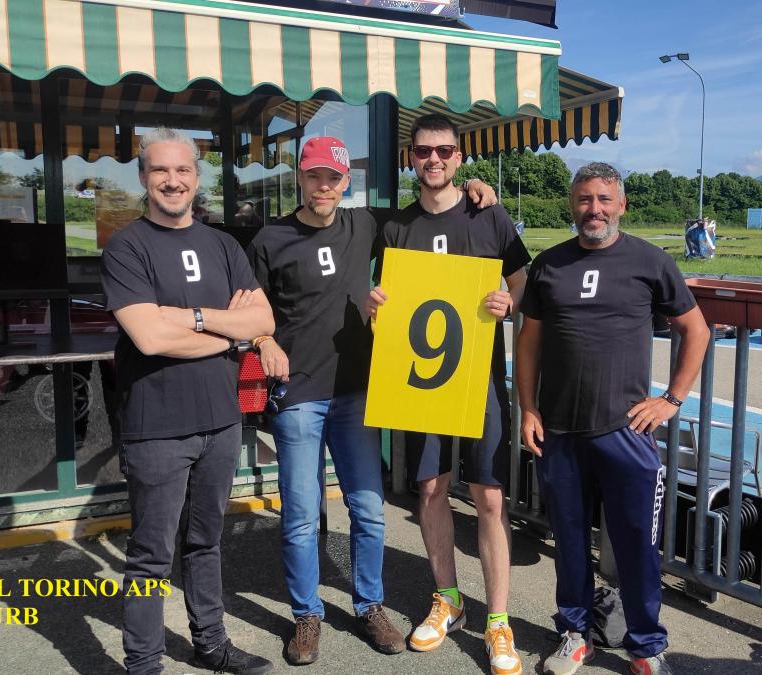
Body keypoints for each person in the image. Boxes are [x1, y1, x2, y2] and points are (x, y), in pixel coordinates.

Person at [245, 136, 499, 665]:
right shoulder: (271, 238)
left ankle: (369, 606)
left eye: (333, 178)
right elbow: (250, 306)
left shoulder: (366, 224)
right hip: (299, 394)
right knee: (300, 513)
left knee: (367, 509)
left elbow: (432, 204)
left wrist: (474, 186)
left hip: (358, 394)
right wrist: (263, 339)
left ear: (346, 183)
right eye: (314, 176)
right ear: (300, 177)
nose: (324, 186)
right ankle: (306, 615)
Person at [514, 162, 710, 675]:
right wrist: (528, 407)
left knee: (638, 546)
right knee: (569, 543)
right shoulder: (549, 264)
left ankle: (646, 645)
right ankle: (575, 634)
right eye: (584, 199)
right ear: (572, 205)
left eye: (604, 199)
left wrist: (672, 399)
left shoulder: (650, 261)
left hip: (626, 431)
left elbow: (697, 330)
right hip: (559, 430)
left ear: (622, 204)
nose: (594, 209)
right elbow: (529, 341)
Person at [101, 127, 277, 675]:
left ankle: (211, 644)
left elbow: (264, 320)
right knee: (150, 556)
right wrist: (230, 333)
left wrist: (194, 318)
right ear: (143, 177)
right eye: (160, 170)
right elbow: (150, 338)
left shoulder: (223, 245)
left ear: (197, 179)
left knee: (205, 542)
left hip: (221, 421)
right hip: (155, 428)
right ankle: (143, 664)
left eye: (182, 170)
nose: (172, 180)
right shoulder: (127, 247)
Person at [367, 113, 530, 675]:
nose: (433, 159)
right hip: (422, 381)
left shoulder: (489, 214)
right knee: (431, 488)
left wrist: (509, 302)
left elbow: (521, 280)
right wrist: (375, 308)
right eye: (423, 151)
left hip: (479, 380)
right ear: (411, 158)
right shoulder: (396, 226)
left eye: (443, 151)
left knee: (489, 498)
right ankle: (449, 600)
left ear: (459, 157)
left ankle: (499, 620)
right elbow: (384, 298)